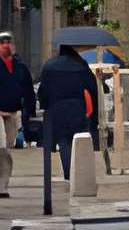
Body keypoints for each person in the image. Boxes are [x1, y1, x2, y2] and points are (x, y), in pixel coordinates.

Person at [36, 44, 97, 181]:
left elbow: (43, 91)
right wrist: (93, 117)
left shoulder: (49, 65)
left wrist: (46, 107)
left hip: (56, 108)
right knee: (79, 140)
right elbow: (92, 88)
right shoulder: (81, 65)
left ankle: (69, 174)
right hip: (77, 108)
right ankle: (80, 174)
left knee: (64, 141)